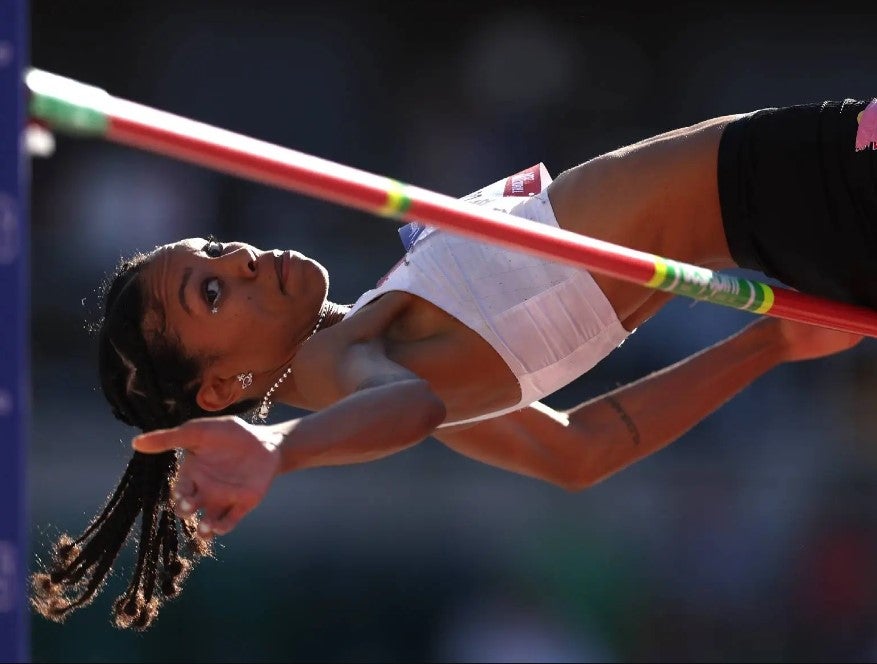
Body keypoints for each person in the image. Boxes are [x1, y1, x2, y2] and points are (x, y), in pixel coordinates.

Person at [30, 97, 876, 630]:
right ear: (223, 389)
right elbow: (407, 411)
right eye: (210, 295)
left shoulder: (388, 337)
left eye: (215, 250)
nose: (242, 260)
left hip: (779, 215)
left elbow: (578, 450)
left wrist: (768, 342)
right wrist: (284, 451)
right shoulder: (356, 359)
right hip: (789, 186)